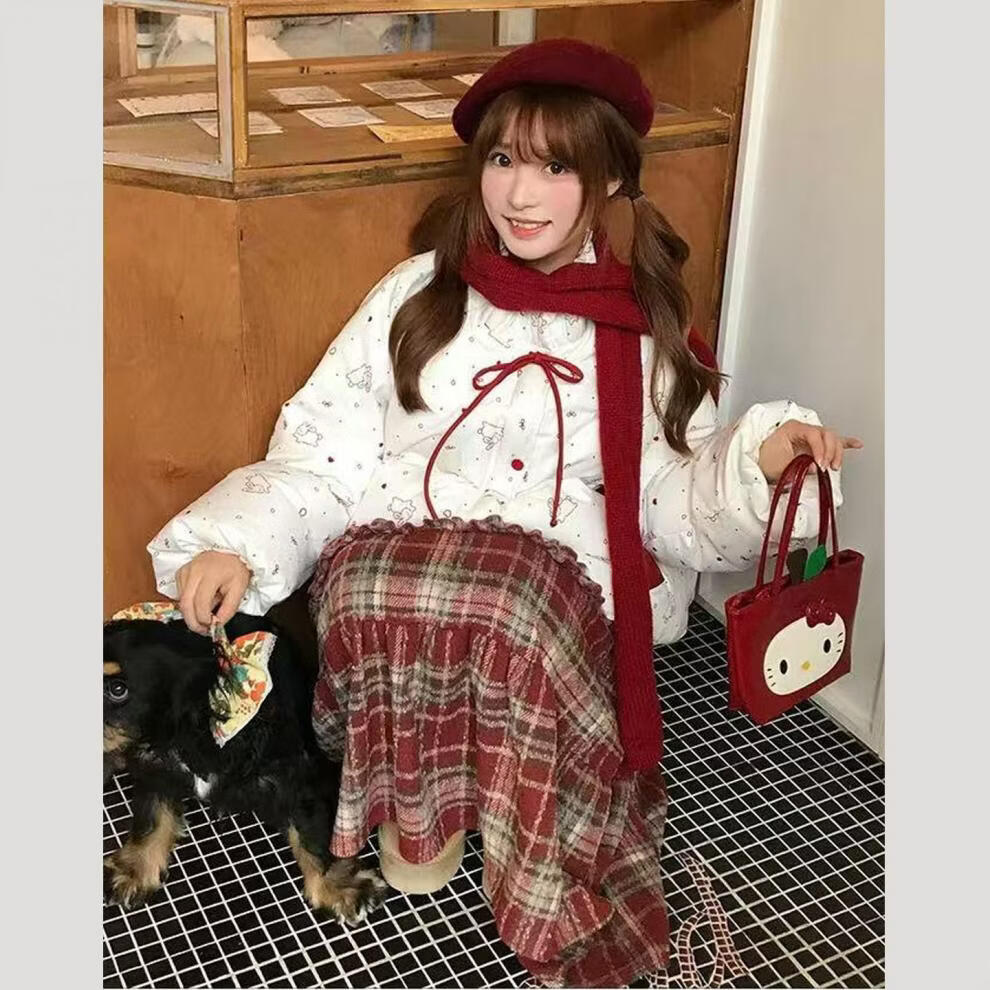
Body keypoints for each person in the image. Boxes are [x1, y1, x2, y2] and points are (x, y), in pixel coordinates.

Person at [148, 38, 862, 988]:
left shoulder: (635, 324)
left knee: (509, 605)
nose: (520, 196)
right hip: (399, 562)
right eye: (502, 160)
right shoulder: (415, 296)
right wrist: (234, 543)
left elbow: (667, 503)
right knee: (380, 591)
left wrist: (761, 462)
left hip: (547, 585)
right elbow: (322, 455)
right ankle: (419, 818)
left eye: (556, 168)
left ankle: (524, 828)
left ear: (609, 179)